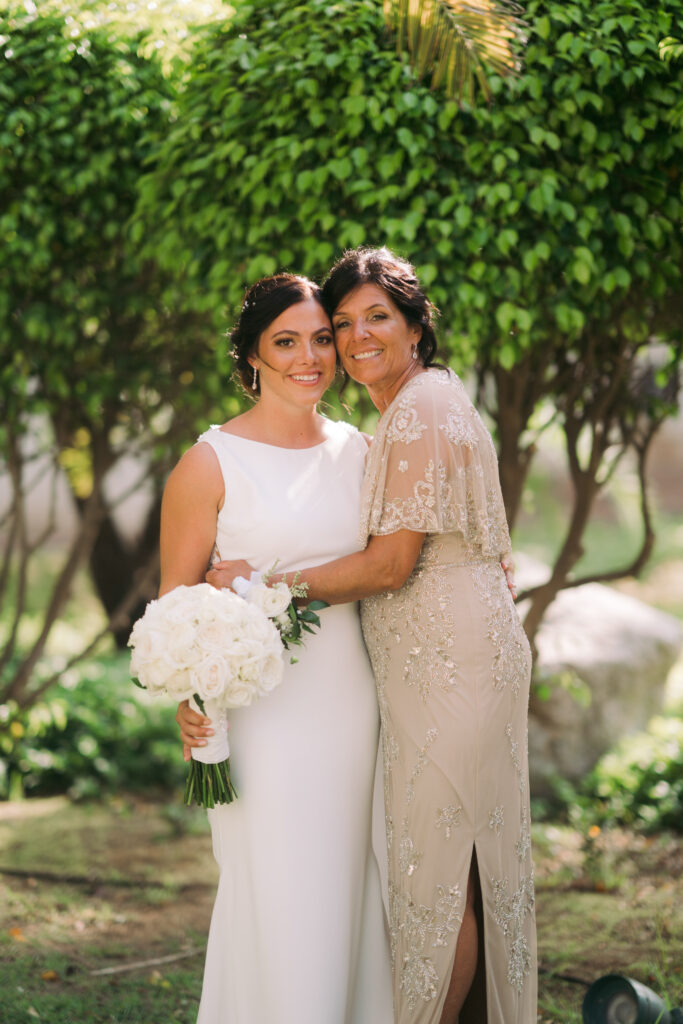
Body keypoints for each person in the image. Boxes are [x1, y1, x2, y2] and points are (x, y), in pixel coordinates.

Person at [195, 248, 538, 1024]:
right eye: (341, 324)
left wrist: (261, 581)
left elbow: (388, 565)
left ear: (416, 325)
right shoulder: (410, 410)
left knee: (436, 877)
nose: (353, 339)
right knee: (451, 867)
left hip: (447, 666)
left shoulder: (413, 411)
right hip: (440, 660)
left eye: (374, 318)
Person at [162, 272, 393, 1024]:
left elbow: (390, 566)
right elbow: (177, 606)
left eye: (322, 339)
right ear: (252, 355)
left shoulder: (361, 452)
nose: (310, 357)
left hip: (350, 704)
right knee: (276, 887)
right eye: (286, 342)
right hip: (258, 714)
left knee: (346, 883)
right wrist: (189, 704)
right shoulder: (210, 462)